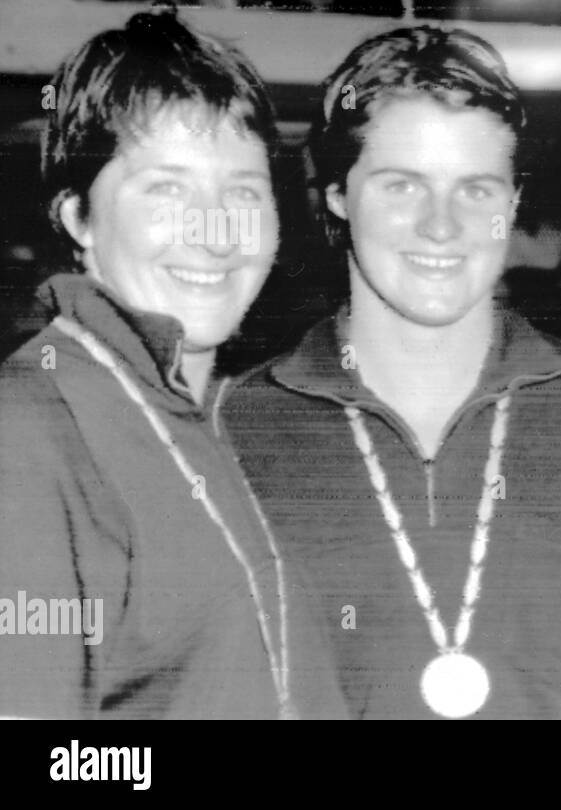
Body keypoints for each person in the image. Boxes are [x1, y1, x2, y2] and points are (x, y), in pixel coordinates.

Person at [221, 26, 561, 720]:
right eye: (402, 184)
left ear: (514, 201)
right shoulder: (232, 429)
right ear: (338, 196)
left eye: (476, 189)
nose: (442, 227)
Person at [0, 6, 344, 719]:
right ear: (77, 218)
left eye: (243, 192)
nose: (216, 231)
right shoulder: (29, 432)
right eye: (167, 188)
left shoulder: (206, 414)